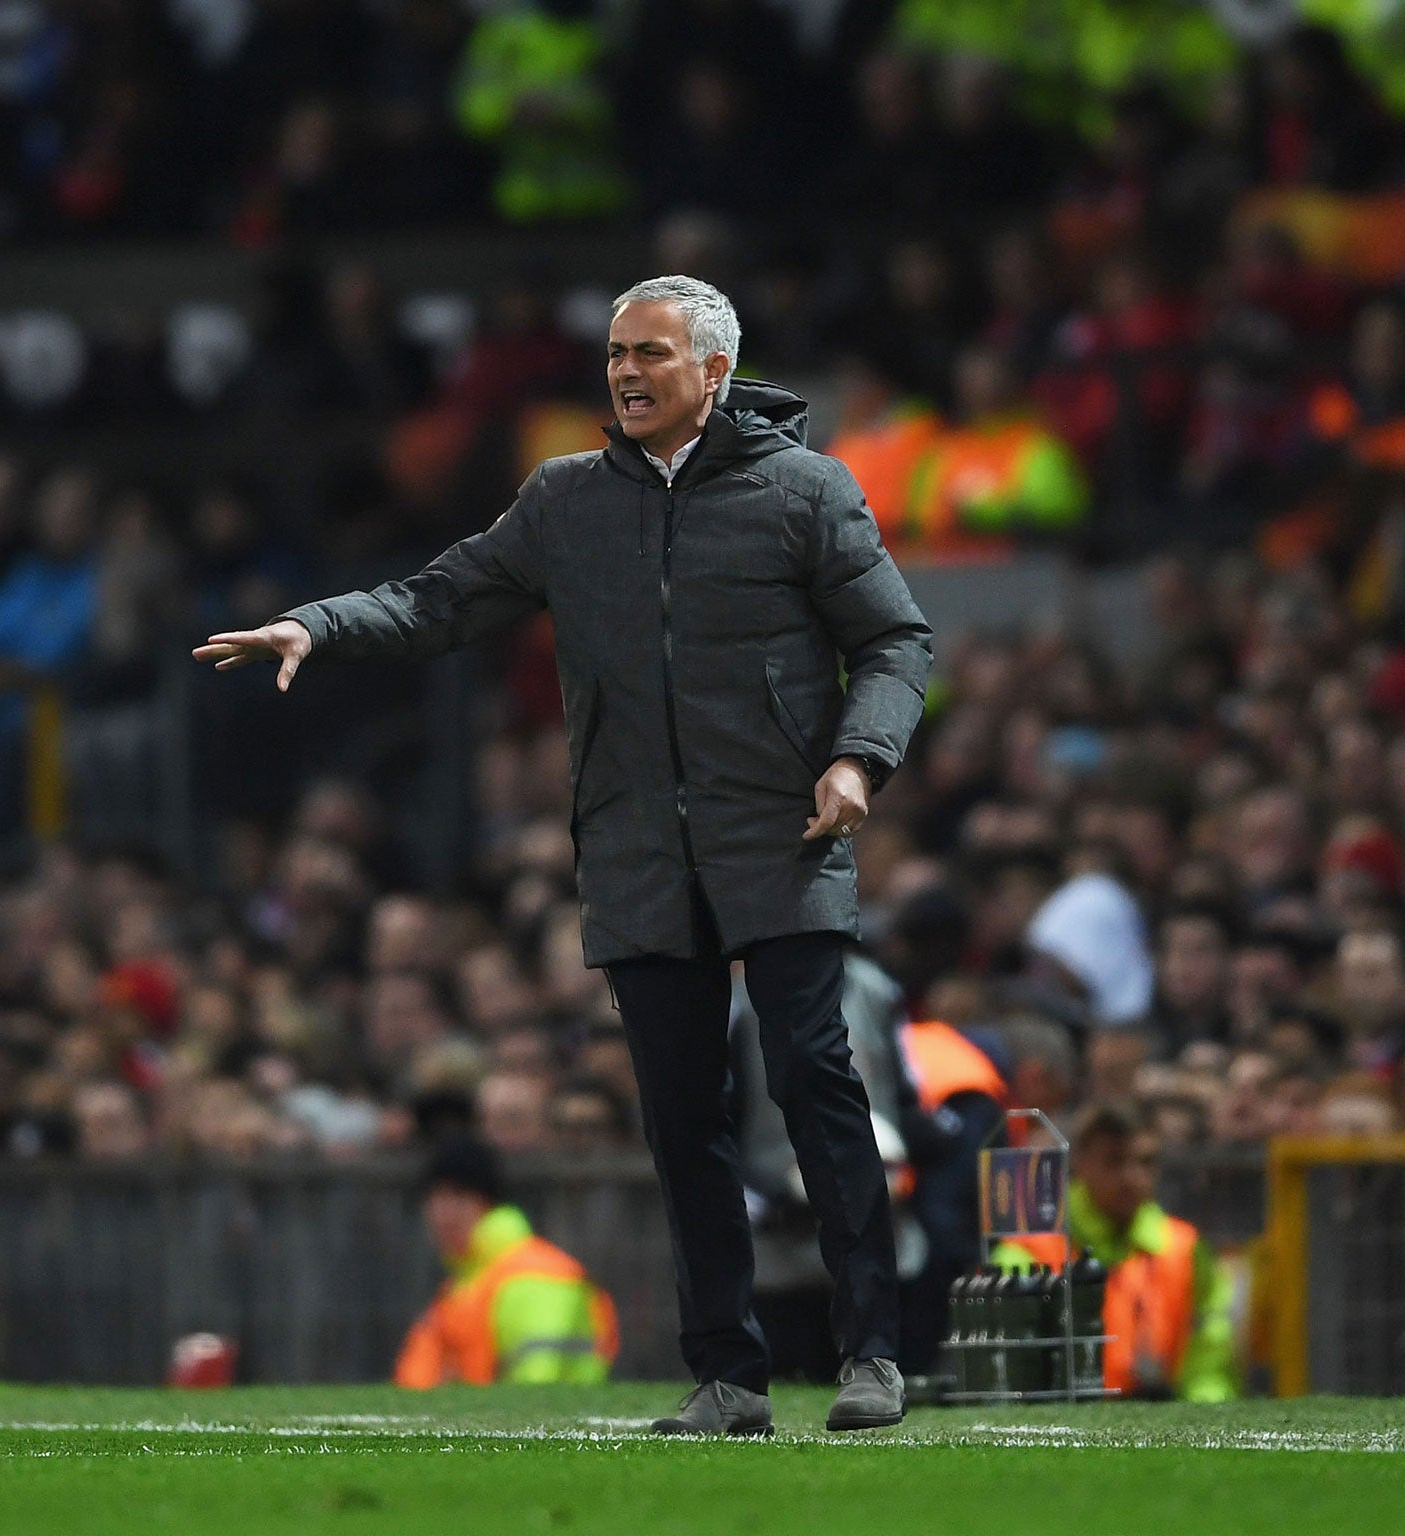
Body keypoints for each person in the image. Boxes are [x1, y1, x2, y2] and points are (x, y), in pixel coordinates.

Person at [200, 275, 933, 1435]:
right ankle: (729, 1380)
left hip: (780, 834)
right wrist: (317, 625)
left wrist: (858, 761)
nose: (625, 374)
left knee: (809, 1080)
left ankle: (871, 1357)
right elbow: (440, 599)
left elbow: (893, 641)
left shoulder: (807, 492)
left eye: (649, 353)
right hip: (638, 851)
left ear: (714, 374)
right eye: (612, 355)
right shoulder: (565, 501)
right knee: (679, 1121)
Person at [993, 1101, 1237, 1402]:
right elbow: (1007, 1369)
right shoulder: (1030, 1251)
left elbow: (1210, 1352)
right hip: (1063, 1420)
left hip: (1166, 1415)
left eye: (1145, 1162)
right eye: (1114, 1161)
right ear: (1079, 1163)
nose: (1132, 1177)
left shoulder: (1183, 1246)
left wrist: (1202, 1418)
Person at [393, 1136, 618, 1387]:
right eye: (435, 1197)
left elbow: (536, 1392)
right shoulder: (466, 1282)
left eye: (459, 1195)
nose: (443, 1212)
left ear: (488, 1203)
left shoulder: (535, 1275)